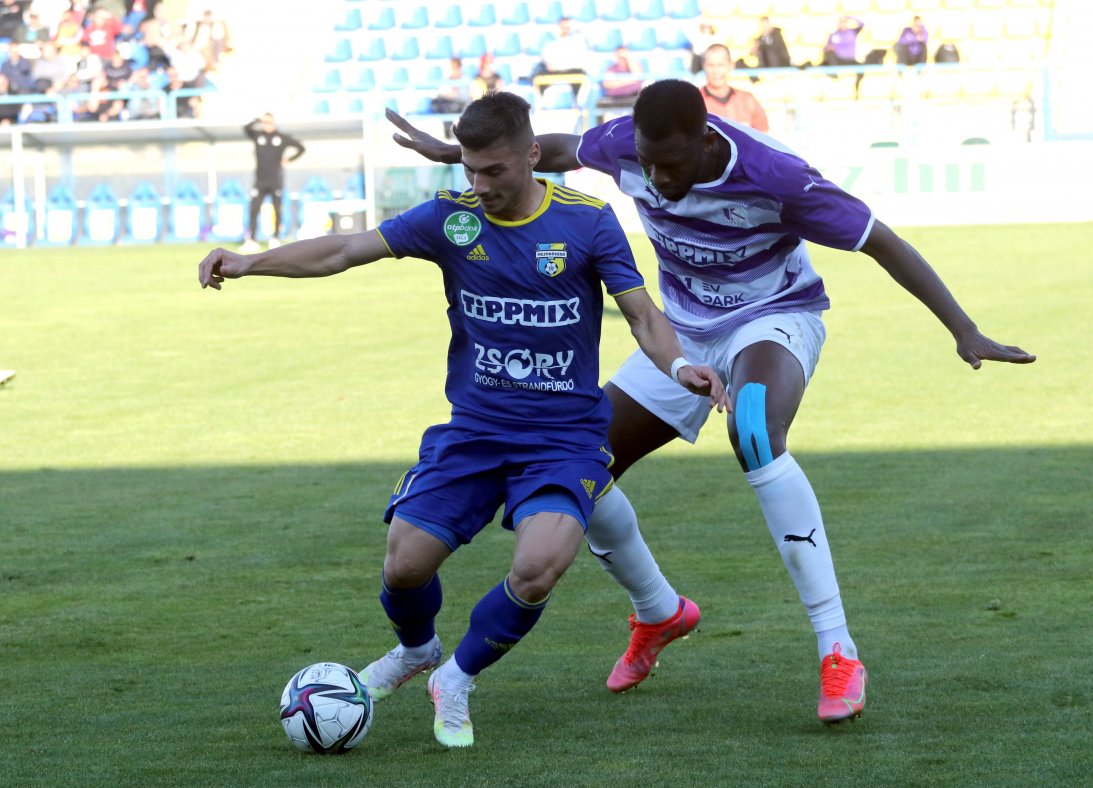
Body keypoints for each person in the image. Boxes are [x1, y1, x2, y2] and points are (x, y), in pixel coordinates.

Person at [387, 79, 1036, 725]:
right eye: (647, 163)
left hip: (773, 318)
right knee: (583, 458)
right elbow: (556, 148)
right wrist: (460, 159)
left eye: (671, 166)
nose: (658, 179)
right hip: (684, 336)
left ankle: (839, 651)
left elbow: (880, 240)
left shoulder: (776, 176)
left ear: (704, 140)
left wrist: (963, 328)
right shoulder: (625, 146)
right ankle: (658, 611)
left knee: (753, 429)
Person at [199, 91, 730, 748]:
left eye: (494, 172)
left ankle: (455, 676)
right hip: (475, 432)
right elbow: (343, 251)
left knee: (538, 566)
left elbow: (645, 315)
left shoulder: (588, 223)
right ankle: (418, 651)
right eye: (470, 171)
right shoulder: (451, 220)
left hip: (564, 439)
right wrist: (253, 262)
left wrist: (681, 370)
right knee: (404, 568)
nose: (479, 187)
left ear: (533, 156)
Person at [239, 112, 304, 252]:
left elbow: (301, 148)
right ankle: (252, 240)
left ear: (274, 123)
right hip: (260, 181)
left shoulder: (282, 138)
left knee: (277, 209)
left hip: (276, 181)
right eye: (264, 122)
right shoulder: (257, 136)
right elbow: (245, 128)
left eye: (269, 122)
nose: (266, 125)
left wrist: (289, 160)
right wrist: (257, 119)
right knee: (254, 209)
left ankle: (275, 238)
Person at [700, 44, 768, 132]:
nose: (716, 71)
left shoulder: (748, 100)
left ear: (731, 66)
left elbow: (763, 137)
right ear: (703, 66)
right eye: (711, 65)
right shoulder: (694, 102)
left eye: (721, 65)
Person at [431, 56, 468, 139]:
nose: (453, 69)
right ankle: (449, 133)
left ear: (459, 67)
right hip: (448, 104)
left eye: (455, 67)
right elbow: (441, 94)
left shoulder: (464, 80)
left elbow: (465, 97)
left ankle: (449, 133)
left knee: (445, 105)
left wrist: (454, 95)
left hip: (460, 105)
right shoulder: (447, 80)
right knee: (441, 103)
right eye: (452, 67)